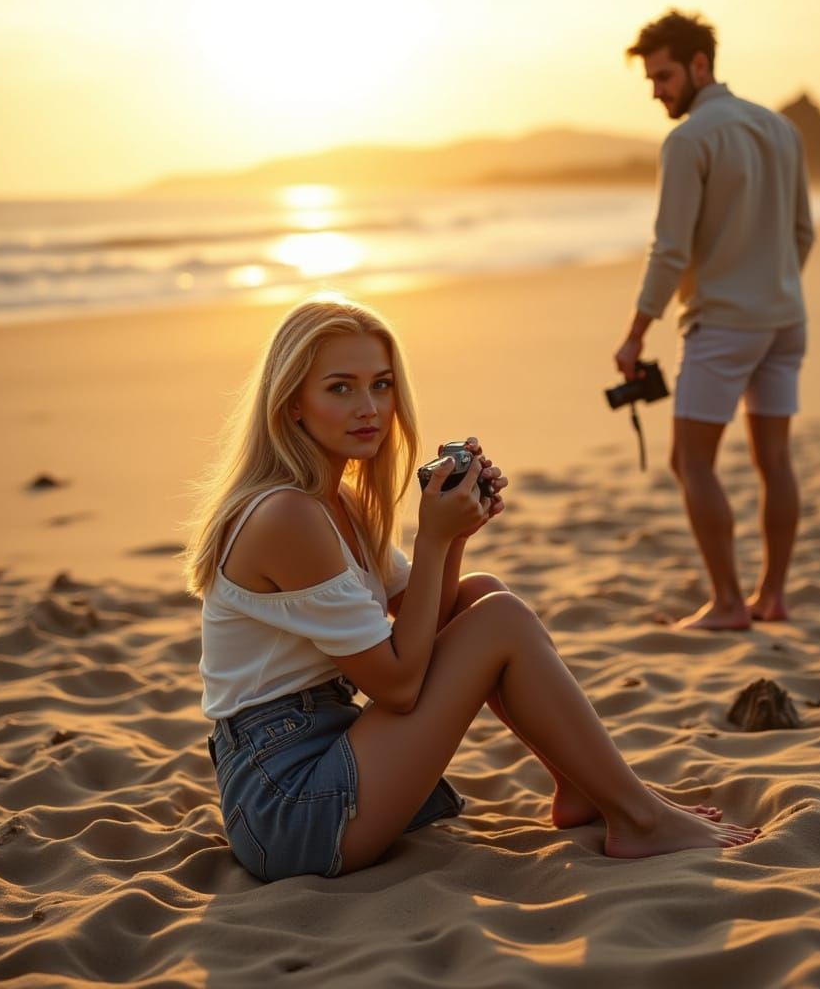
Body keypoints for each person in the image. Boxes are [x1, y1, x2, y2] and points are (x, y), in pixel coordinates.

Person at [185, 295, 760, 882]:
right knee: (498, 619)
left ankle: (582, 787)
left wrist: (457, 537)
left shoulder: (339, 504)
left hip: (328, 749)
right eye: (340, 388)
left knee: (480, 594)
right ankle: (639, 819)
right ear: (292, 405)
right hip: (288, 801)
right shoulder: (286, 515)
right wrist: (433, 541)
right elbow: (400, 685)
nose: (369, 408)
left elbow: (425, 623)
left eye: (381, 385)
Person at [614, 10, 815, 632]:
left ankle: (730, 603)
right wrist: (772, 284)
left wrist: (636, 334)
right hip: (785, 318)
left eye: (665, 75)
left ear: (701, 65)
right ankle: (772, 597)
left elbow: (670, 250)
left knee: (690, 463)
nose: (657, 90)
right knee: (774, 461)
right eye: (651, 79)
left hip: (725, 325)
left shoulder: (689, 139)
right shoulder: (781, 129)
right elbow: (802, 233)